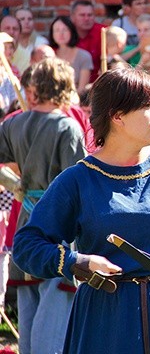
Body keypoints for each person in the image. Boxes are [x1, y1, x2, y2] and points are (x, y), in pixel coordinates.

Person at [12, 66, 150, 354]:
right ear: (117, 116)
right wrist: (77, 262)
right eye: (148, 106)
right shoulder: (78, 180)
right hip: (107, 321)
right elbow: (27, 245)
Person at [0, 58, 86, 354]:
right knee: (55, 311)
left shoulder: (14, 123)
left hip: (26, 220)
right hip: (58, 224)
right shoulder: (67, 127)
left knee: (30, 304)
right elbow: (78, 182)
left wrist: (18, 186)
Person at [48, 15, 93, 95]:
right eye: (57, 30)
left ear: (72, 31)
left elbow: (82, 90)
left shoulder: (84, 56)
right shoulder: (49, 56)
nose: (61, 34)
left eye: (65, 30)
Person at [70, 0, 104, 82]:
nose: (86, 18)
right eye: (82, 15)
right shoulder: (66, 34)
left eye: (90, 15)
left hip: (99, 84)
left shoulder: (103, 32)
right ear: (72, 17)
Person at [13, 7, 49, 74]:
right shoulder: (10, 43)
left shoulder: (41, 43)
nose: (27, 22)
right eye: (22, 19)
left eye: (30, 19)